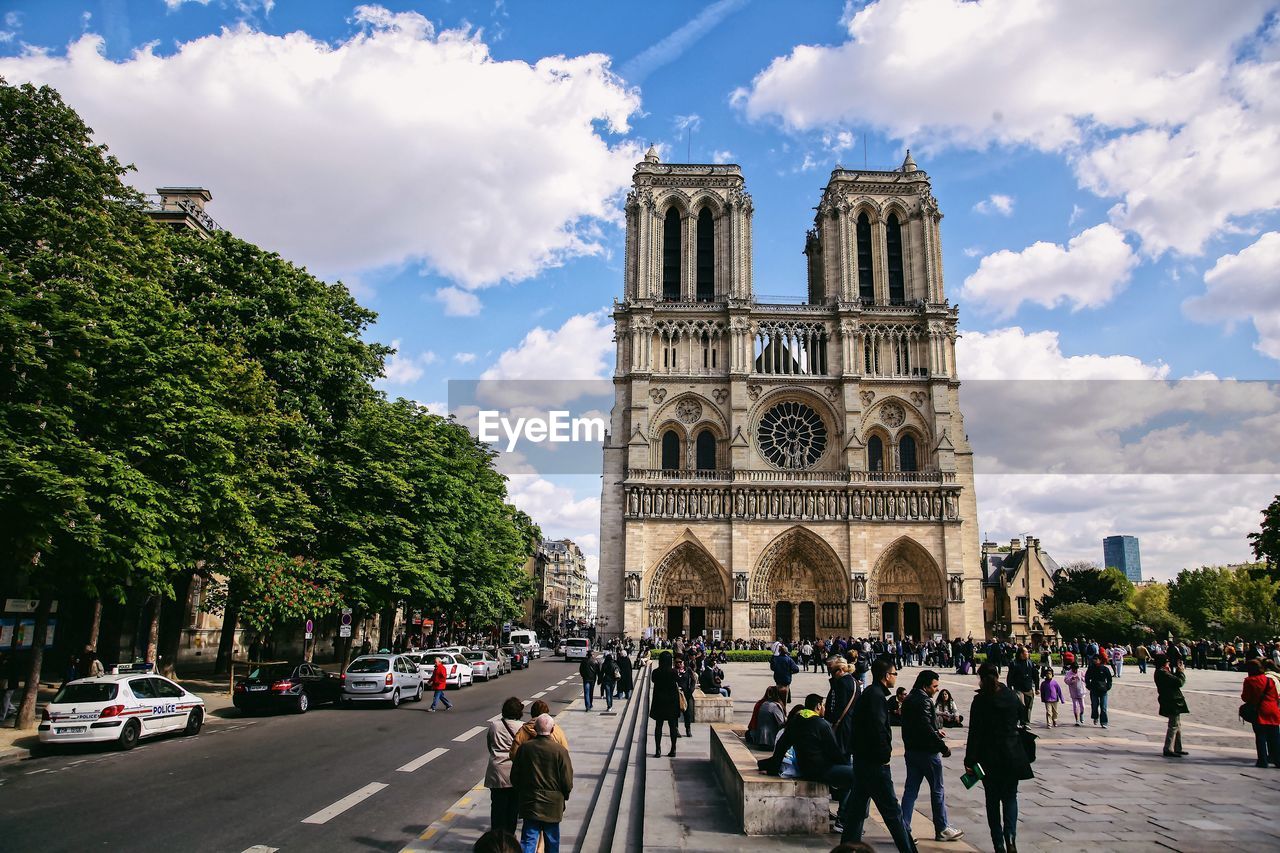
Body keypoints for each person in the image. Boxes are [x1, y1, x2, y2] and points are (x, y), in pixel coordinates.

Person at [843, 656, 918, 852]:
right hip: (874, 765)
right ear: (886, 676)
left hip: (862, 762)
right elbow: (878, 731)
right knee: (893, 815)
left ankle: (846, 848)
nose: (896, 677)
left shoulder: (871, 693)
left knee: (856, 813)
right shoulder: (876, 697)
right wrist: (885, 756)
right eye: (894, 673)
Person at [759, 694, 855, 837]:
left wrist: (772, 767)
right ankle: (843, 820)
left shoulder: (796, 721)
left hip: (805, 768)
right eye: (822, 705)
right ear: (818, 706)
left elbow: (781, 745)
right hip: (822, 770)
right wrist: (845, 765)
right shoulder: (821, 724)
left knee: (847, 775)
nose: (824, 708)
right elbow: (834, 752)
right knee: (857, 775)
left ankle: (843, 812)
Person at [965, 662, 1033, 853]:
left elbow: (975, 733)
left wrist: (969, 761)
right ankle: (1010, 839)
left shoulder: (980, 701)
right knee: (1010, 798)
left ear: (980, 678)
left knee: (992, 801)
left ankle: (998, 845)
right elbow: (1023, 716)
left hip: (988, 758)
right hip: (1012, 755)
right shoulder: (1011, 696)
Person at [900, 670, 965, 843]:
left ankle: (903, 827)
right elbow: (925, 728)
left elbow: (916, 725)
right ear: (925, 686)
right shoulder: (925, 701)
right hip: (927, 752)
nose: (937, 689)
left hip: (911, 751)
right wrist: (942, 747)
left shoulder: (908, 699)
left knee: (910, 790)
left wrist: (936, 730)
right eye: (934, 686)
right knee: (937, 790)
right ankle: (942, 828)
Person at [510, 714, 573, 853]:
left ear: (535, 729)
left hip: (530, 801)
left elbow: (515, 776)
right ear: (552, 730)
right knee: (552, 840)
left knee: (528, 839)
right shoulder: (560, 751)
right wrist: (564, 796)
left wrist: (522, 792)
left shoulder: (524, 749)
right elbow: (567, 780)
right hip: (553, 803)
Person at [486, 697, 525, 834]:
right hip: (514, 771)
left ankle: (496, 837)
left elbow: (490, 745)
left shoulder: (494, 725)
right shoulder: (522, 727)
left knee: (497, 807)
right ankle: (509, 837)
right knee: (513, 807)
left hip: (496, 771)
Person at [1241, 658, 1280, 768]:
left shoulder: (1249, 680)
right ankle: (1278, 760)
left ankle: (1262, 761)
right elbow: (1276, 696)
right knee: (1275, 736)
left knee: (1261, 736)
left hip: (1260, 710)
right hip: (1273, 709)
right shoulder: (1269, 680)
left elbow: (1245, 697)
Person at [824, 656, 861, 760]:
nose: (831, 674)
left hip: (842, 725)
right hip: (850, 722)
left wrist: (830, 722)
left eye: (833, 671)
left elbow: (837, 705)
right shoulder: (853, 681)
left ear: (840, 670)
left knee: (840, 755)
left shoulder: (841, 683)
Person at [1153, 654, 1189, 758]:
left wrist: (1177, 671)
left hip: (1171, 699)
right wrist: (1181, 672)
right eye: (1167, 661)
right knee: (1173, 725)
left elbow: (1174, 680)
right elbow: (1179, 682)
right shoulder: (1163, 673)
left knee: (1177, 725)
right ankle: (1168, 748)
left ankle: (1177, 747)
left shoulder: (1161, 672)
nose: (1168, 663)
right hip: (1172, 700)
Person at [649, 651, 681, 758]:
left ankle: (658, 750)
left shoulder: (656, 672)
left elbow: (653, 680)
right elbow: (678, 681)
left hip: (660, 701)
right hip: (672, 702)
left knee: (659, 726)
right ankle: (673, 749)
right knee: (673, 727)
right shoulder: (674, 672)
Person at [1005, 647, 1037, 727]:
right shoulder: (1014, 663)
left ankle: (1025, 722)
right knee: (1021, 705)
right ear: (1021, 654)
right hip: (1018, 688)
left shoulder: (1030, 663)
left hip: (1028, 688)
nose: (1028, 653)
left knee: (1028, 706)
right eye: (1026, 652)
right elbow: (1010, 677)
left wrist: (1037, 688)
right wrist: (1009, 688)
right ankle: (1018, 720)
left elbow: (1035, 676)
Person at [1084, 653, 1113, 728]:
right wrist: (1088, 686)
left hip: (1103, 690)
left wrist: (1108, 686)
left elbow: (1109, 679)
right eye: (1094, 659)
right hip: (1094, 689)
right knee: (1094, 705)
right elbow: (1087, 678)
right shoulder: (1091, 668)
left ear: (1100, 660)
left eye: (1096, 659)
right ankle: (1095, 717)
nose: (1095, 660)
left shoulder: (1104, 669)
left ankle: (1104, 722)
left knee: (1103, 707)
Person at [674, 655, 695, 737]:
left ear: (683, 662)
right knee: (675, 713)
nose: (678, 664)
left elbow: (693, 680)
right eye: (676, 662)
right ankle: (676, 730)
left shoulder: (688, 670)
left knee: (687, 713)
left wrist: (691, 690)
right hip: (676, 694)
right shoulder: (674, 671)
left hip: (686, 694)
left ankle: (688, 729)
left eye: (680, 662)